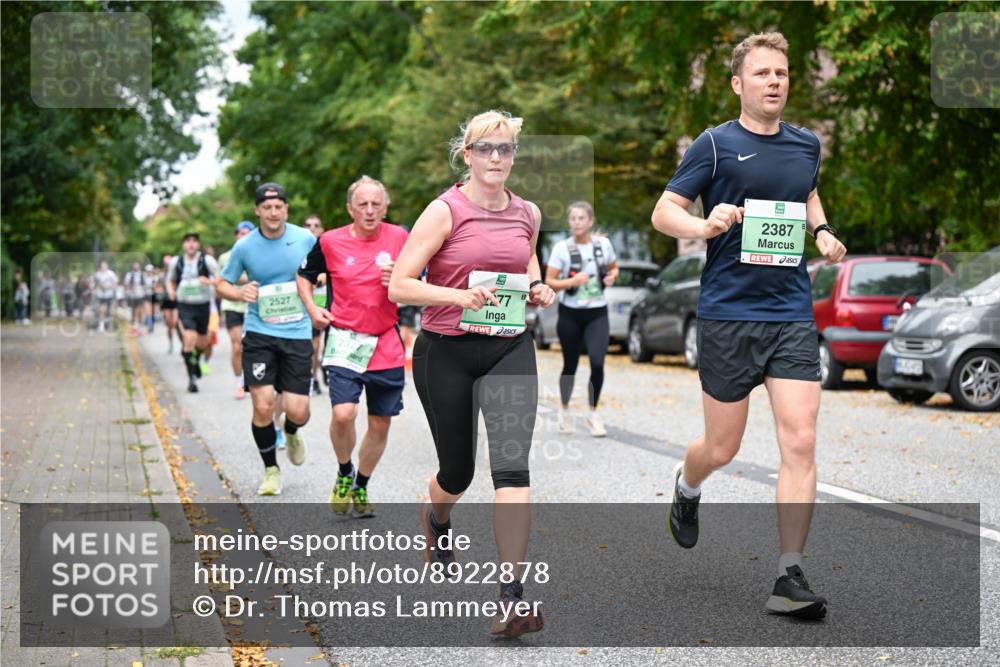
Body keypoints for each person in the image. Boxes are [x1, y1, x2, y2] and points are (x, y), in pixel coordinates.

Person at [651, 32, 847, 620]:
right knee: (721, 447)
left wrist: (821, 231)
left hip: (789, 312)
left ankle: (789, 573)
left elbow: (807, 194)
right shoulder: (714, 145)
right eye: (762, 73)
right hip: (728, 314)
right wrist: (703, 224)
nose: (774, 81)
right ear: (738, 84)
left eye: (781, 73)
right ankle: (687, 486)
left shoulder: (806, 144)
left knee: (801, 439)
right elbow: (663, 211)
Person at [389, 110, 555, 638]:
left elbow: (525, 262)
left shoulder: (528, 212)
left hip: (509, 349)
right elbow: (399, 284)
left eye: (505, 148)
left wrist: (537, 287)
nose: (497, 158)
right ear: (468, 155)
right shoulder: (445, 211)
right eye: (486, 149)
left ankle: (511, 598)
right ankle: (436, 516)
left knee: (512, 470)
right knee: (457, 473)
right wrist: (457, 296)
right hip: (446, 351)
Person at [299, 176, 408, 518]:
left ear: (385, 207)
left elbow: (421, 279)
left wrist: (401, 280)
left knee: (381, 423)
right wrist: (312, 309)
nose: (370, 210)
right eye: (363, 204)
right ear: (350, 209)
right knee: (343, 413)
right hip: (345, 338)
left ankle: (361, 483)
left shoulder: (400, 237)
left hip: (386, 340)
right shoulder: (330, 241)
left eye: (376, 204)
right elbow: (304, 276)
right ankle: (344, 470)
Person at [217, 182, 316, 496]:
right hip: (260, 333)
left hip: (297, 333)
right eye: (267, 207)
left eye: (278, 207)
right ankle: (271, 469)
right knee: (263, 404)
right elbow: (222, 283)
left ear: (286, 209)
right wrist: (239, 293)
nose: (273, 212)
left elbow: (323, 271)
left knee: (299, 411)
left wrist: (317, 284)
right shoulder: (245, 247)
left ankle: (291, 429)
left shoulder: (305, 239)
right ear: (257, 210)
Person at [544, 202, 619, 437]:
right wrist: (572, 282)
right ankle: (564, 410)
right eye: (573, 218)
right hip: (570, 313)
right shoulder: (561, 248)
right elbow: (549, 281)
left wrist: (612, 278)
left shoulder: (603, 245)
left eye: (581, 218)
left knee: (597, 362)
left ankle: (592, 414)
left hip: (597, 312)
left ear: (591, 221)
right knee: (570, 364)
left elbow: (614, 268)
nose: (577, 222)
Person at [166, 233, 219, 393]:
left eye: (194, 241)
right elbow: (170, 280)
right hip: (185, 305)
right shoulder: (177, 262)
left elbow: (221, 278)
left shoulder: (207, 260)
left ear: (198, 244)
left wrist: (209, 281)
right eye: (188, 241)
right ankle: (192, 379)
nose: (191, 244)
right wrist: (171, 291)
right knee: (189, 339)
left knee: (202, 342)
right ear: (183, 244)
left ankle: (195, 362)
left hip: (203, 305)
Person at [219, 221, 256, 400]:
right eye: (241, 233)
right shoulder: (225, 257)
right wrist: (251, 275)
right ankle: (239, 382)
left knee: (250, 346)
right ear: (236, 235)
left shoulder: (259, 253)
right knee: (237, 345)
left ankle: (254, 378)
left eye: (247, 233)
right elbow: (229, 279)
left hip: (253, 306)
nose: (243, 236)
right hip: (232, 305)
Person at [303, 214, 327, 396]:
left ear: (322, 230)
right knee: (314, 346)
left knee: (327, 346)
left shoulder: (328, 248)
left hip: (331, 305)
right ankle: (313, 378)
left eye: (316, 225)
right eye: (308, 225)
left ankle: (327, 368)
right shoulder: (299, 250)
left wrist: (323, 277)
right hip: (311, 306)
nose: (312, 228)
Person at [160, 256, 181, 353]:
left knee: (176, 322)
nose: (167, 266)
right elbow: (157, 287)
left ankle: (183, 341)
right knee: (169, 324)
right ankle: (170, 343)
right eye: (166, 264)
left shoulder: (176, 274)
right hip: (166, 301)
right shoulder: (162, 276)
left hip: (175, 300)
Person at [92, 261, 118, 331]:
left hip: (109, 294)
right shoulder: (97, 274)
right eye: (102, 266)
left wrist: (109, 286)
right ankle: (101, 325)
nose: (103, 267)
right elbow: (94, 284)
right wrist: (100, 286)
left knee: (110, 310)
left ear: (107, 266)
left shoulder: (111, 274)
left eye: (104, 266)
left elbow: (115, 283)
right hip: (101, 295)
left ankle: (110, 324)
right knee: (101, 310)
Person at [124, 262, 146, 335]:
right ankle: (135, 328)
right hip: (132, 296)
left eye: (137, 266)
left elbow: (145, 285)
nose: (136, 268)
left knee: (139, 311)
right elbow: (126, 284)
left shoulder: (142, 275)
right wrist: (131, 286)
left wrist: (142, 287)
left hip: (141, 295)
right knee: (134, 312)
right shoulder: (129, 275)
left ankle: (139, 328)